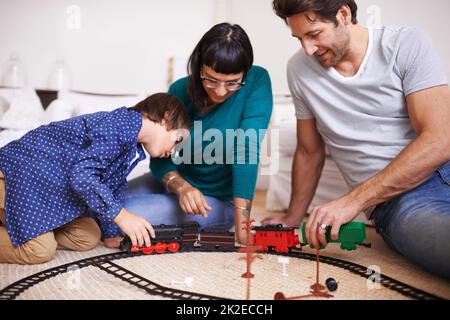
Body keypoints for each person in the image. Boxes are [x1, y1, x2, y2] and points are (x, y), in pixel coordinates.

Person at [263, 0, 450, 279]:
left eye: (314, 35)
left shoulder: (405, 43)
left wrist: (352, 201)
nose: (308, 49)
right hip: (401, 202)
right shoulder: (299, 71)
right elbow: (308, 152)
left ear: (343, 14)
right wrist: (292, 218)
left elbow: (441, 138)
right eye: (299, 38)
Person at [114, 23, 273, 246]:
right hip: (174, 181)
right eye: (211, 79)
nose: (220, 91)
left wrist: (243, 229)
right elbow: (161, 160)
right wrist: (182, 187)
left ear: (244, 74)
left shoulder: (257, 81)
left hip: (214, 200)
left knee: (121, 214)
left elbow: (246, 150)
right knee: (106, 199)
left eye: (232, 83)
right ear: (199, 68)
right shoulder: (180, 90)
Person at [0, 93, 189, 264]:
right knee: (40, 251)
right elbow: (82, 177)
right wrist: (121, 216)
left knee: (88, 236)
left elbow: (113, 186)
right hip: (17, 177)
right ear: (166, 117)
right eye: (176, 140)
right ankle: (31, 234)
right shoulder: (121, 124)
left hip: (45, 190)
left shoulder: (130, 144)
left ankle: (31, 228)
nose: (173, 151)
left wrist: (110, 233)